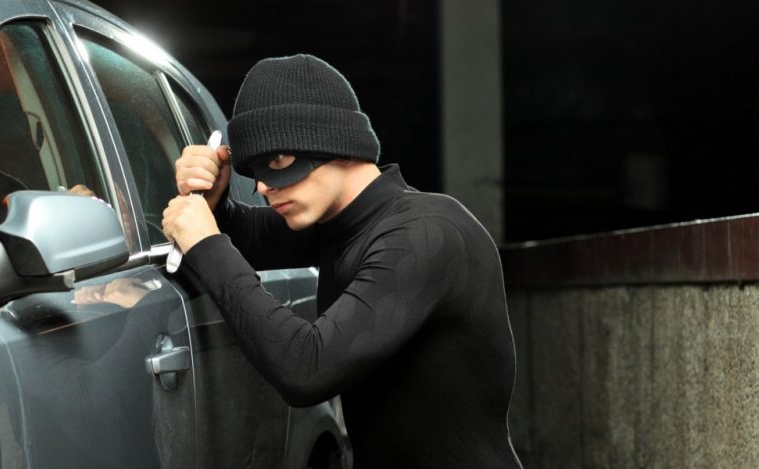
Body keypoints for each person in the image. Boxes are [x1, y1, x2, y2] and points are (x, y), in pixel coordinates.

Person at [162, 54, 523, 467]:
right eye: (254, 169)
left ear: (337, 145)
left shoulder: (427, 234)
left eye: (277, 161)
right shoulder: (343, 225)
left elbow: (306, 368)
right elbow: (245, 238)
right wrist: (214, 204)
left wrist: (206, 243)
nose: (262, 186)